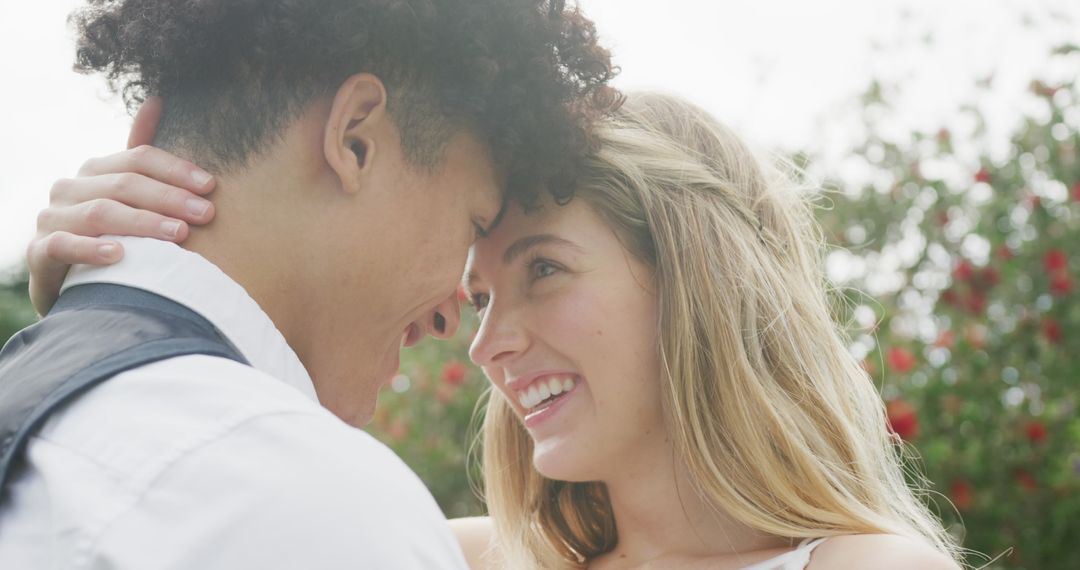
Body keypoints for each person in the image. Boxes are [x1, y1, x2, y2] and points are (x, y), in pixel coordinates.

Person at [28, 93, 969, 569]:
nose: (487, 344)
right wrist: (112, 306)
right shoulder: (449, 554)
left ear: (694, 280)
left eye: (543, 271)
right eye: (479, 298)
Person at [0, 0, 617, 568]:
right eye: (472, 222)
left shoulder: (36, 399)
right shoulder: (319, 511)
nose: (450, 322)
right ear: (354, 138)